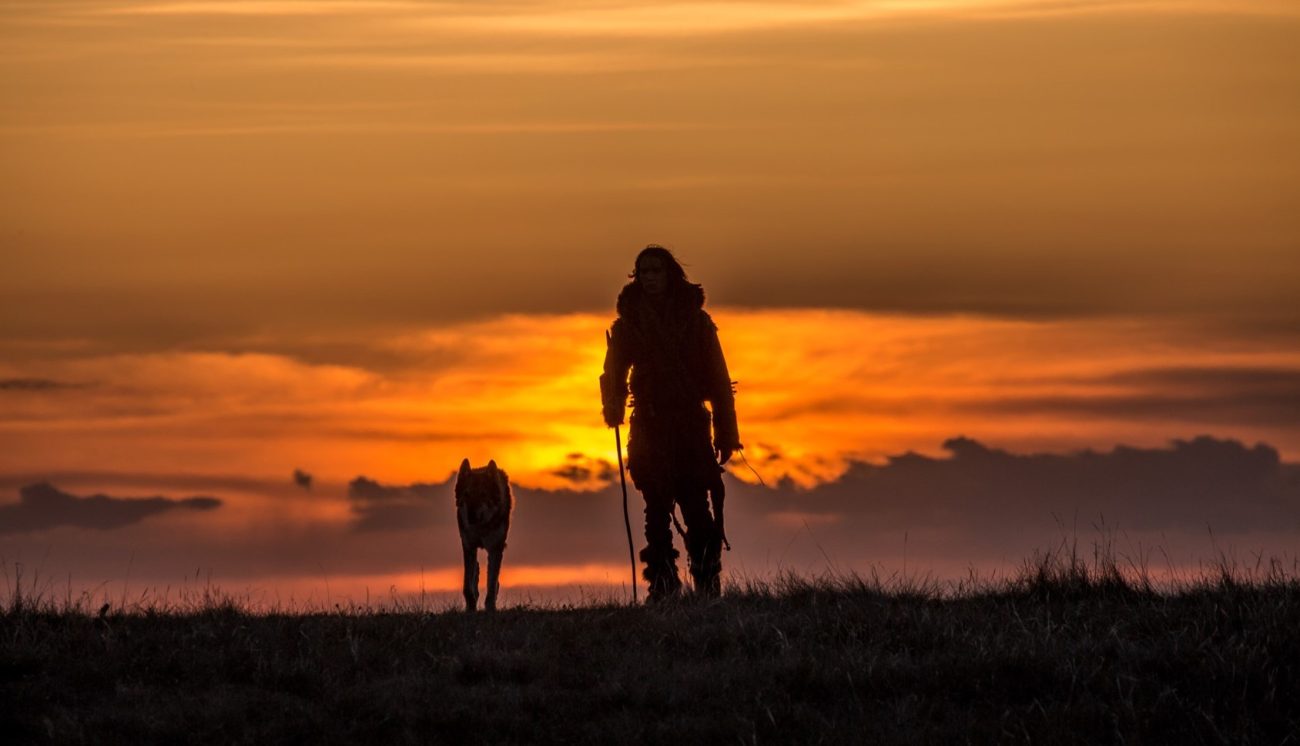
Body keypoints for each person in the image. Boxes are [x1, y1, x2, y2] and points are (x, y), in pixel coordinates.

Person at [601, 245, 741, 601]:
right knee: (656, 511)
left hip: (691, 426)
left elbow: (719, 379)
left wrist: (726, 433)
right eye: (642, 271)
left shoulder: (696, 321)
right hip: (649, 426)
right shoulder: (628, 324)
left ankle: (707, 587)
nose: (648, 278)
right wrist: (613, 406)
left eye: (655, 271)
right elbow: (612, 373)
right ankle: (663, 589)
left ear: (670, 275)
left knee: (697, 509)